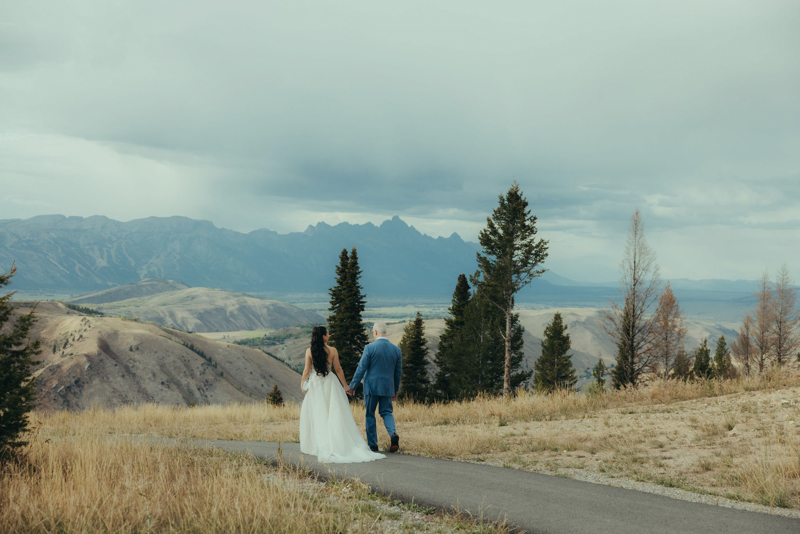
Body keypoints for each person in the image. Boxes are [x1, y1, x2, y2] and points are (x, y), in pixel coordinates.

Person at [299, 326, 385, 463]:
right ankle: (337, 442)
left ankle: (317, 444)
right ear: (323, 336)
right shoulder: (332, 350)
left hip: (315, 385)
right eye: (327, 333)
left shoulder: (309, 351)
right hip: (330, 383)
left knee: (317, 413)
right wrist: (345, 386)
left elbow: (306, 370)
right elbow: (338, 369)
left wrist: (303, 384)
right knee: (333, 412)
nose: (329, 335)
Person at [349, 321, 402, 453]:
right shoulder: (396, 350)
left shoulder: (369, 348)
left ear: (376, 332)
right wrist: (395, 389)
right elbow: (397, 373)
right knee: (387, 412)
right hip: (387, 387)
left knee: (370, 414)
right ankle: (393, 434)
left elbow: (361, 368)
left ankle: (373, 445)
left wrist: (353, 385)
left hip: (372, 387)